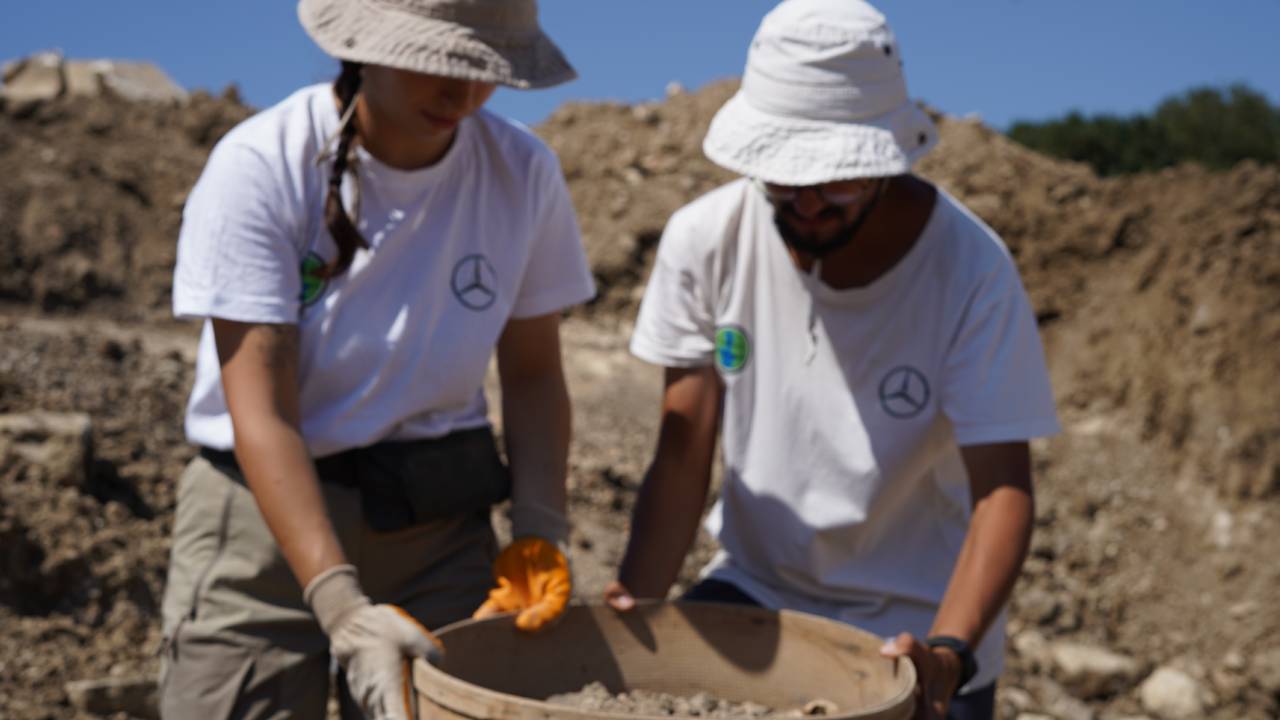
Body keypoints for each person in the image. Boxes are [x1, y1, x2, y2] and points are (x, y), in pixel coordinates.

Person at [603, 1, 1059, 718]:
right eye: (784, 180)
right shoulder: (706, 240)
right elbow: (684, 446)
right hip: (757, 590)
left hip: (920, 618)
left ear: (883, 157)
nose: (809, 203)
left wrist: (949, 654)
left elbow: (1003, 490)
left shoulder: (971, 271)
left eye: (836, 181)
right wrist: (637, 615)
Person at [159, 1, 595, 718]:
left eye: (484, 70)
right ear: (361, 45)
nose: (464, 96)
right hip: (262, 534)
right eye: (438, 65)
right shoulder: (263, 165)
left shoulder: (521, 174)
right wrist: (339, 604)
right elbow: (262, 410)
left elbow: (535, 374)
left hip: (437, 527)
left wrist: (540, 529)